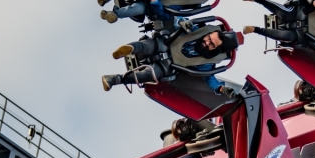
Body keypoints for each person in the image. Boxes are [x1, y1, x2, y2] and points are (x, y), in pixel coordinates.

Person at [101, 25, 239, 93]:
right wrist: (183, 22)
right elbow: (180, 20)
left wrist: (221, 89)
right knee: (148, 46)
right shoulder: (196, 30)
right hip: (165, 45)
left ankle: (114, 79)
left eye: (211, 44)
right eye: (209, 38)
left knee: (151, 74)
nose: (207, 42)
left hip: (170, 65)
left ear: (215, 49)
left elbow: (211, 79)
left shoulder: (206, 64)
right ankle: (128, 49)